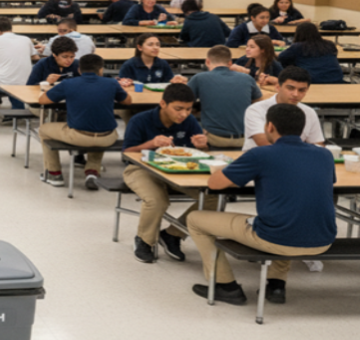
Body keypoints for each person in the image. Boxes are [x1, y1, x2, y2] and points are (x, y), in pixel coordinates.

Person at [187, 104, 335, 306]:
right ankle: (276, 285)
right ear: (302, 128)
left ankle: (224, 285)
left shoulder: (261, 154)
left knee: (195, 219)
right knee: (290, 213)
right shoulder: (325, 155)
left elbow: (214, 184)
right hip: (323, 239)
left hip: (278, 238)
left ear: (270, 126)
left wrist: (226, 167)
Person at [121, 84, 215, 263]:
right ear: (163, 104)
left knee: (214, 197)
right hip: (139, 168)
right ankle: (144, 240)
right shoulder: (140, 120)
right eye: (178, 109)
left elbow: (201, 151)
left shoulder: (189, 121)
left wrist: (203, 146)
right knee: (157, 200)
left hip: (178, 168)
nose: (184, 114)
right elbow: (127, 152)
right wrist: (151, 143)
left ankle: (173, 234)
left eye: (188, 109)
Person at [38, 52, 132, 189]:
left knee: (43, 129)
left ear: (79, 69)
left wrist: (46, 88)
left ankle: (54, 173)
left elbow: (43, 100)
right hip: (108, 137)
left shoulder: (69, 83)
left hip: (79, 136)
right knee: (99, 124)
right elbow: (128, 101)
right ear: (101, 69)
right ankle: (92, 171)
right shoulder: (112, 83)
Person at [188, 46, 265, 148]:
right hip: (245, 139)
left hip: (215, 138)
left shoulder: (199, 78)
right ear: (230, 63)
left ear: (207, 61)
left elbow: (183, 103)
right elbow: (259, 104)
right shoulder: (247, 78)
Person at [243, 67, 324, 151]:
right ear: (278, 87)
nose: (295, 94)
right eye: (290, 88)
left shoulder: (309, 112)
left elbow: (317, 145)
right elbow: (264, 143)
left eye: (301, 90)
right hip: (260, 160)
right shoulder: (256, 110)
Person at [278, 22, 345, 84]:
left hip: (313, 80)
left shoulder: (298, 46)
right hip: (337, 77)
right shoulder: (329, 44)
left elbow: (281, 57)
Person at [118, 33, 184, 86]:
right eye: (150, 45)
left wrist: (176, 80)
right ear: (140, 47)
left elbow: (169, 82)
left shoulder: (163, 64)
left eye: (158, 45)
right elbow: (122, 86)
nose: (155, 48)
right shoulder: (129, 65)